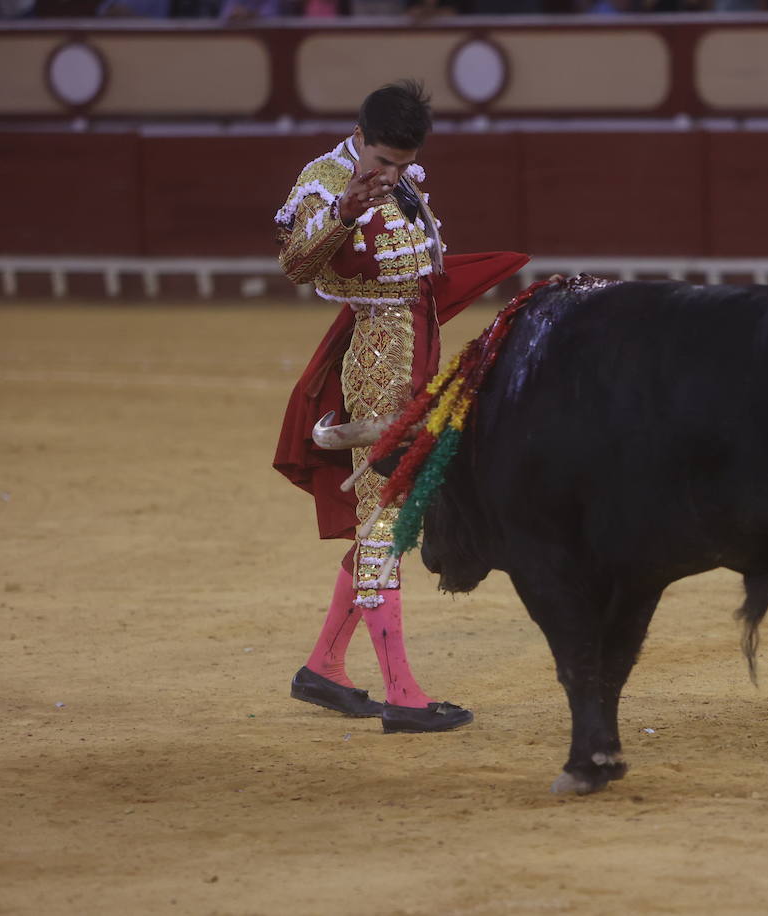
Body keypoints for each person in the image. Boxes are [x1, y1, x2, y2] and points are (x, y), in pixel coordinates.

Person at [272, 80, 528, 730]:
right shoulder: (326, 178)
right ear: (360, 136)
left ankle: (325, 667)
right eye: (384, 160)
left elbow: (423, 269)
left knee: (383, 521)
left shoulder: (402, 177)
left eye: (402, 162)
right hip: (377, 357)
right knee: (385, 522)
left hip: (413, 345)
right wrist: (345, 215)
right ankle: (402, 695)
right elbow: (298, 266)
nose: (393, 173)